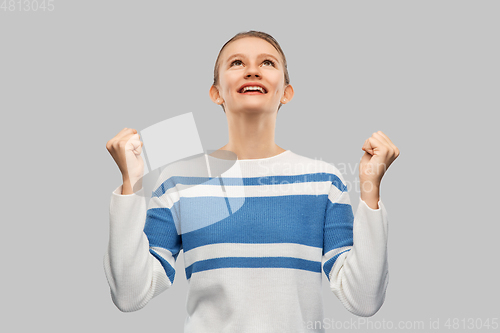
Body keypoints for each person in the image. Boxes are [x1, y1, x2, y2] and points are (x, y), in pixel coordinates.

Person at [104, 30, 399, 332]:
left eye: (268, 63)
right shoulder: (180, 181)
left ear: (286, 91)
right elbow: (129, 295)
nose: (252, 70)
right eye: (236, 63)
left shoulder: (323, 181)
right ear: (216, 92)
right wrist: (130, 184)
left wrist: (370, 188)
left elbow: (363, 300)